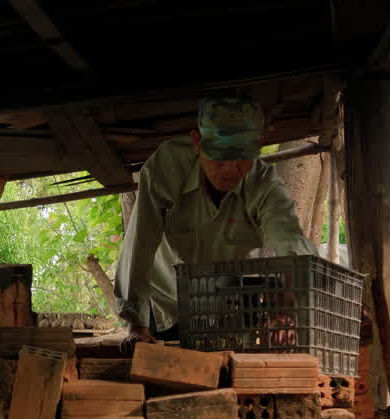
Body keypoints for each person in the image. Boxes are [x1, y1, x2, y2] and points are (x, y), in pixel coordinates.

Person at [112, 92, 317, 349]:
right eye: (220, 155)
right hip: (163, 304)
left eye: (242, 155)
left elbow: (290, 241)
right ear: (197, 142)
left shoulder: (265, 186)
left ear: (259, 144)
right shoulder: (168, 166)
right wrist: (135, 324)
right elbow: (140, 242)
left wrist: (287, 306)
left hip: (224, 307)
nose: (231, 169)